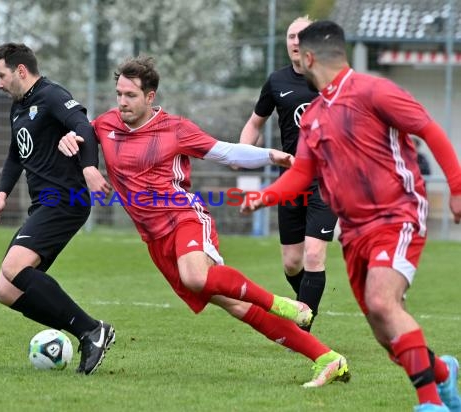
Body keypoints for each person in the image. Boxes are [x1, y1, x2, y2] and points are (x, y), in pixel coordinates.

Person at [58, 55, 351, 387]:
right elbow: (79, 139)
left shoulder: (175, 129)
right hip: (154, 239)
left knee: (196, 277)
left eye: (131, 95)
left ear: (150, 97)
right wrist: (70, 143)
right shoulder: (106, 125)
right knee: (237, 307)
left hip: (184, 218)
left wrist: (270, 155)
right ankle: (327, 358)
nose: (122, 102)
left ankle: (283, 303)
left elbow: (225, 151)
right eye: (119, 94)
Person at [241, 20, 461, 412]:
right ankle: (442, 374)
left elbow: (430, 131)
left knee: (380, 301)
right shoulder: (314, 116)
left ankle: (430, 404)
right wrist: (265, 195)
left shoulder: (375, 90)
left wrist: (457, 188)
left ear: (308, 58)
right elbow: (303, 173)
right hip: (355, 231)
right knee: (385, 329)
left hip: (397, 214)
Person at [0, 43, 115, 375]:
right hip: (43, 203)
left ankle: (91, 329)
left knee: (14, 267)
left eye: (1, 75)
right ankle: (88, 332)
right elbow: (16, 154)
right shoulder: (18, 107)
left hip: (65, 199)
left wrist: (89, 168)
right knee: (6, 289)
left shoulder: (52, 95)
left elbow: (84, 127)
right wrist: (1, 193)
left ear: (20, 71)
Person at [239, 16, 337, 331]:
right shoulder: (276, 81)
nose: (296, 41)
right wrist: (245, 154)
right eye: (291, 36)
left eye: (303, 36)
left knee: (312, 255)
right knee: (292, 264)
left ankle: (302, 329)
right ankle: (306, 304)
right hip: (292, 182)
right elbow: (255, 122)